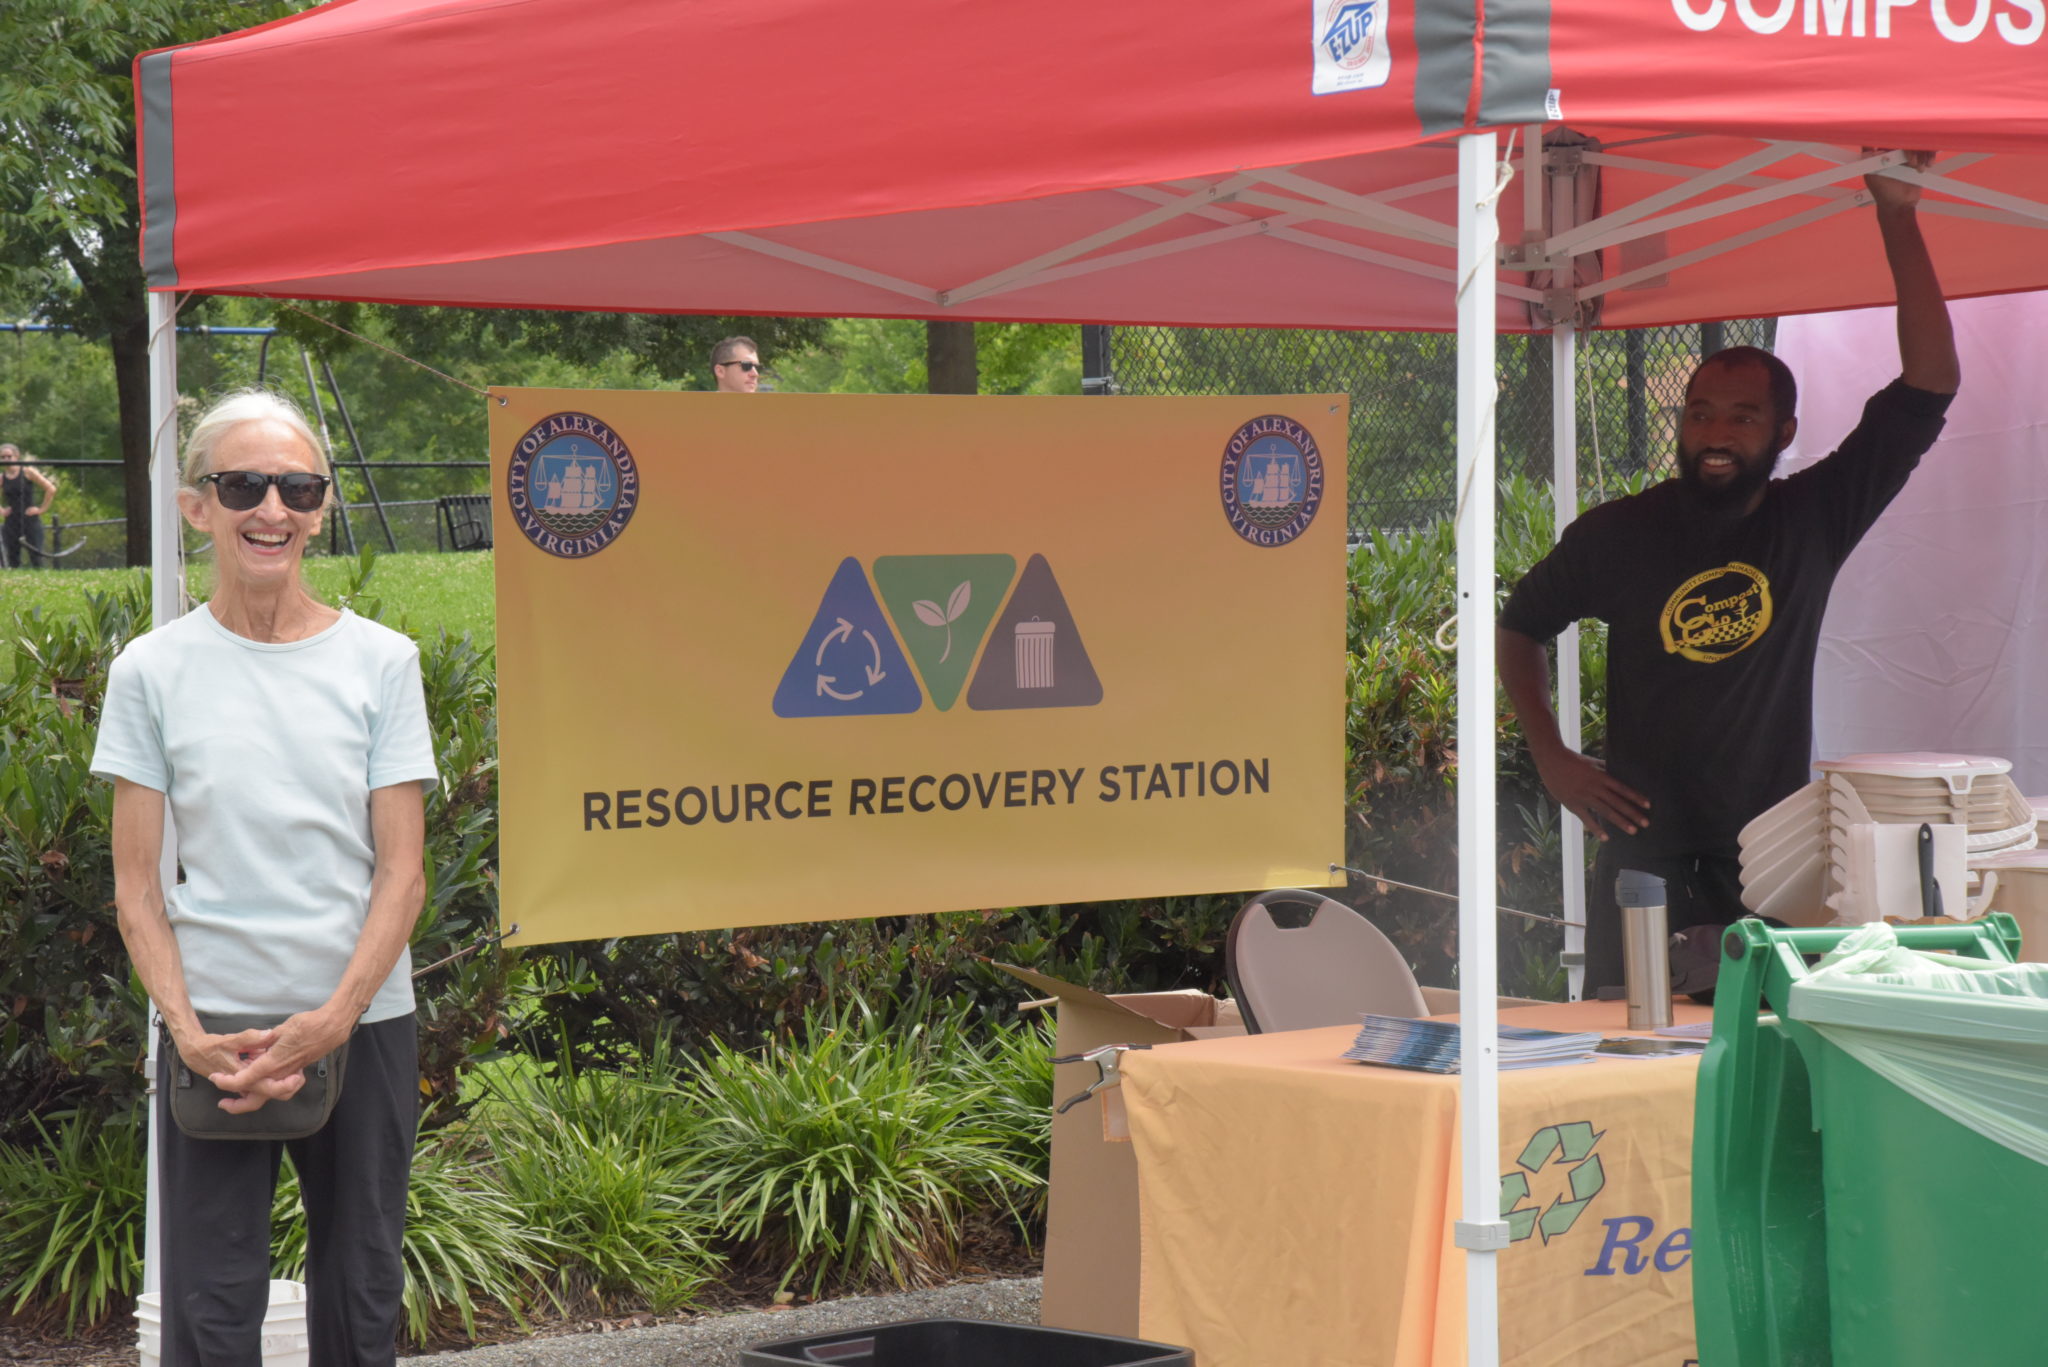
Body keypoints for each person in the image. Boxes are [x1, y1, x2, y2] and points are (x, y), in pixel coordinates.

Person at [1496, 153, 1961, 995]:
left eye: (1742, 417)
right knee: (1627, 1044)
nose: (1716, 431)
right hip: (1641, 855)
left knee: (1763, 1052)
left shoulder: (1815, 515)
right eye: (1701, 412)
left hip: (1771, 860)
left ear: (1784, 429)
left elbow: (1930, 383)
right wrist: (1552, 755)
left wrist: (1897, 214)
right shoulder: (1620, 534)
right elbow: (1520, 621)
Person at [92, 390, 438, 1366]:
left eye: (296, 487)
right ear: (198, 505)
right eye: (242, 484)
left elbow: (402, 876)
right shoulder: (151, 671)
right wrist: (188, 1033)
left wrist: (332, 1018)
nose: (270, 508)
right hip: (218, 1031)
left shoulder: (382, 663)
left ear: (322, 508)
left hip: (362, 1027)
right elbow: (135, 886)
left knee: (361, 1296)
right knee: (209, 1308)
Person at [1, 442, 57, 569]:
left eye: (9, 456)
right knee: (13, 557)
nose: (6, 460)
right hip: (11, 520)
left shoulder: (27, 472)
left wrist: (41, 509)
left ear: (16, 456)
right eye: (3, 457)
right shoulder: (2, 478)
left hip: (30, 518)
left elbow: (51, 489)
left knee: (36, 555)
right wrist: (2, 511)